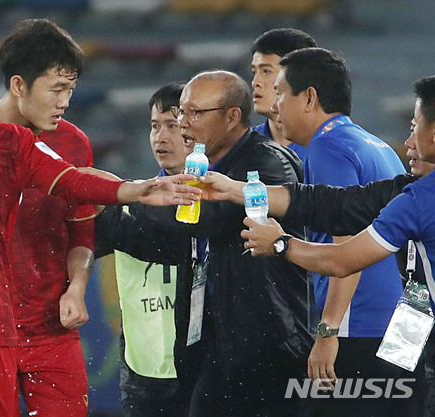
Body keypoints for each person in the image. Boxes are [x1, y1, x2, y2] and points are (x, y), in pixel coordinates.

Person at [95, 70, 312, 416]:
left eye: (194, 113)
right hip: (217, 344)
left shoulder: (264, 163)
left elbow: (205, 218)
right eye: (182, 112)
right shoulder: (208, 170)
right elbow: (160, 240)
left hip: (266, 347)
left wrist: (137, 195)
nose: (184, 124)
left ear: (232, 117)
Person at [240, 75, 435, 416]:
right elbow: (339, 203)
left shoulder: (331, 147)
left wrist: (282, 244)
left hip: (361, 331)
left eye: (280, 90)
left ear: (309, 97)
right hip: (404, 333)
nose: (408, 141)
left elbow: (344, 253)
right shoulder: (376, 146)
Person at [0, 19, 95, 416]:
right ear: (19, 85)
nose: (65, 101)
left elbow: (82, 235)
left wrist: (76, 288)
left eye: (70, 90)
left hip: (51, 330)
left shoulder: (74, 144)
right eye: (56, 89)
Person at [95, 82, 190, 417]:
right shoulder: (129, 203)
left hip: (207, 368)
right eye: (154, 126)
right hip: (144, 376)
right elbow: (81, 247)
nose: (160, 137)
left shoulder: (226, 202)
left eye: (172, 126)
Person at [251, 27, 316, 165]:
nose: (255, 82)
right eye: (254, 72)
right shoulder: (241, 146)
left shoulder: (330, 149)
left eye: (266, 71)